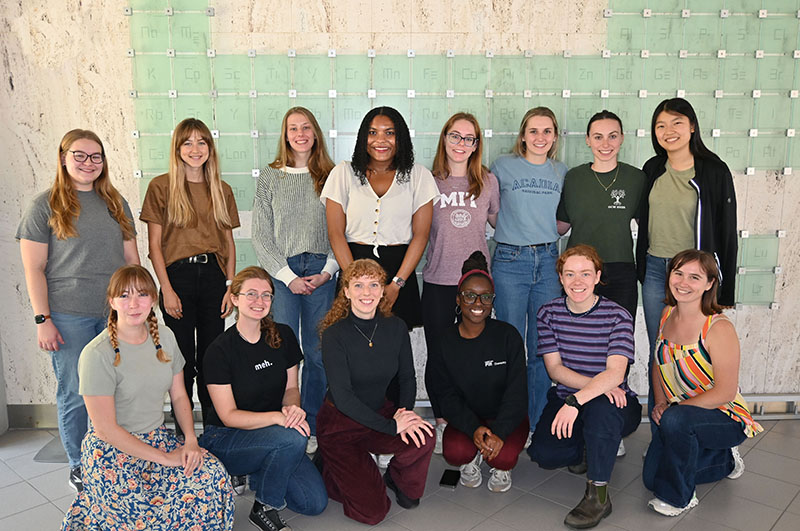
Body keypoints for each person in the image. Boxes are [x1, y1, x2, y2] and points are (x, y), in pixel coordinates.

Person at [62, 265, 234, 530]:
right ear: (111, 301)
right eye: (124, 296)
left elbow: (179, 396)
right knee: (141, 517)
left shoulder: (165, 337)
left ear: (154, 300)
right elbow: (106, 429)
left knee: (212, 475)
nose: (133, 304)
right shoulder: (96, 353)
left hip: (157, 438)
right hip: (110, 452)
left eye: (142, 295)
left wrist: (189, 440)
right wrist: (165, 458)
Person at [17, 129, 139, 492]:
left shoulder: (116, 202)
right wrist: (43, 320)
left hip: (117, 315)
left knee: (121, 389)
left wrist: (138, 308)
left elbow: (132, 259)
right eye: (80, 155)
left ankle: (116, 458)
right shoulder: (44, 206)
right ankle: (80, 465)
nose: (89, 163)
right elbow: (33, 268)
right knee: (76, 392)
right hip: (70, 315)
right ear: (63, 157)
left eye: (96, 156)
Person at [200, 266, 327, 531]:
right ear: (235, 298)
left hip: (273, 434)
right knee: (294, 437)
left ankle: (262, 471)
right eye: (252, 294)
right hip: (226, 438)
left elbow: (292, 388)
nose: (260, 301)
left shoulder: (283, 335)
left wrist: (292, 410)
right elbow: (228, 415)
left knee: (313, 503)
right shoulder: (219, 350)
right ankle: (264, 507)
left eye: (267, 295)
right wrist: (279, 418)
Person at [528, 244, 641, 529]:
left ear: (597, 276)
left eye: (585, 274)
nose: (577, 282)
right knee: (545, 454)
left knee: (602, 411)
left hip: (614, 403)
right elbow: (555, 369)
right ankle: (589, 447)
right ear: (561, 278)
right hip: (571, 395)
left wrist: (580, 400)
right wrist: (594, 389)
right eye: (570, 274)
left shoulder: (618, 315)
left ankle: (599, 495)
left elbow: (616, 373)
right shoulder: (548, 313)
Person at [643, 249, 762, 516]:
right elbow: (658, 362)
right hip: (681, 412)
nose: (683, 283)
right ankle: (722, 460)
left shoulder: (718, 328)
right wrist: (661, 402)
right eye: (678, 273)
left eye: (694, 277)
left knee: (675, 425)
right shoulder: (667, 313)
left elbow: (725, 392)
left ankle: (680, 499)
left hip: (724, 416)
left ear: (709, 283)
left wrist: (676, 410)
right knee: (651, 479)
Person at [316, 259, 434, 525]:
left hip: (379, 413)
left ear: (383, 290)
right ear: (346, 291)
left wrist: (403, 415)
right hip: (340, 425)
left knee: (423, 436)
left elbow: (407, 377)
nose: (366, 292)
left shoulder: (396, 327)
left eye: (373, 285)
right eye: (358, 285)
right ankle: (329, 467)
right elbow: (344, 398)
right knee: (373, 513)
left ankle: (395, 478)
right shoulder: (334, 335)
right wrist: (393, 427)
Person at [140, 117, 240, 422]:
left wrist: (229, 286)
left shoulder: (221, 188)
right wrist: (166, 290)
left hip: (213, 278)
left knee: (212, 356)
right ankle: (183, 431)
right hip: (177, 279)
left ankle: (214, 428)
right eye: (188, 142)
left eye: (202, 142)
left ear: (210, 147)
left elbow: (229, 243)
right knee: (181, 358)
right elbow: (155, 246)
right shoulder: (160, 187)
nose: (195, 149)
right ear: (177, 148)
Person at [252, 107, 338, 454]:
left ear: (315, 133)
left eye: (306, 127)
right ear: (285, 135)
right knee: (282, 353)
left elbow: (340, 228)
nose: (300, 133)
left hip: (321, 271)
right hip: (282, 272)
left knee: (318, 354)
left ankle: (313, 424)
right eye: (293, 128)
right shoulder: (272, 177)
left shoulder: (331, 175)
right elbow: (260, 235)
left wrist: (328, 270)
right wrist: (286, 277)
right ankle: (281, 421)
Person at [422, 113, 500, 454]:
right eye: (455, 136)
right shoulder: (427, 181)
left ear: (477, 145)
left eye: (469, 138)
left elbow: (498, 224)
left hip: (476, 287)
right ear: (444, 138)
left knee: (472, 355)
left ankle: (471, 421)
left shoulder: (487, 181)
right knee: (439, 355)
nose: (461, 144)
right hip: (439, 280)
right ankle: (442, 420)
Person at [321, 106, 437, 330]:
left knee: (394, 347)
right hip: (352, 264)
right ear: (363, 137)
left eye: (390, 132)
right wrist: (355, 282)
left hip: (399, 271)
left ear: (400, 137)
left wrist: (396, 284)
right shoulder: (343, 173)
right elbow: (335, 234)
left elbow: (421, 236)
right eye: (372, 132)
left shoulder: (419, 175)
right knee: (354, 343)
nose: (380, 140)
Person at [637, 98, 738, 357]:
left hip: (693, 274)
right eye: (661, 126)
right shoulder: (652, 168)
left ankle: (692, 400)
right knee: (658, 350)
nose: (668, 131)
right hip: (656, 270)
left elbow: (726, 230)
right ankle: (658, 400)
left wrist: (725, 291)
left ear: (692, 126)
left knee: (693, 350)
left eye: (677, 123)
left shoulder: (714, 171)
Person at [490, 106, 567, 438]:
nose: (540, 137)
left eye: (546, 131)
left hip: (550, 263)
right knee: (509, 346)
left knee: (542, 348)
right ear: (522, 135)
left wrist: (544, 235)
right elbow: (492, 214)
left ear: (554, 137)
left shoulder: (562, 172)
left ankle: (535, 425)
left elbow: (564, 220)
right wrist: (515, 235)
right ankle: (508, 424)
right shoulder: (502, 166)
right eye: (533, 131)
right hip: (510, 261)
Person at [429, 251, 527, 493]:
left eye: (485, 297)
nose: (478, 304)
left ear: (493, 300)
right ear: (458, 299)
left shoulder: (508, 336)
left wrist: (500, 432)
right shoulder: (444, 341)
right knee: (455, 453)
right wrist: (473, 428)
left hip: (505, 418)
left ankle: (498, 463)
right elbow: (445, 395)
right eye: (470, 296)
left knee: (503, 458)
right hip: (467, 419)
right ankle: (472, 457)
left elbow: (517, 394)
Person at [557, 110, 645, 320]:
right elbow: (561, 225)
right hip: (579, 270)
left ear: (622, 138)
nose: (605, 144)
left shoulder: (636, 178)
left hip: (621, 269)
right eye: (598, 137)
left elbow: (648, 226)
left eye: (612, 136)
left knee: (620, 335)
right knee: (577, 334)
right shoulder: (573, 177)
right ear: (588, 140)